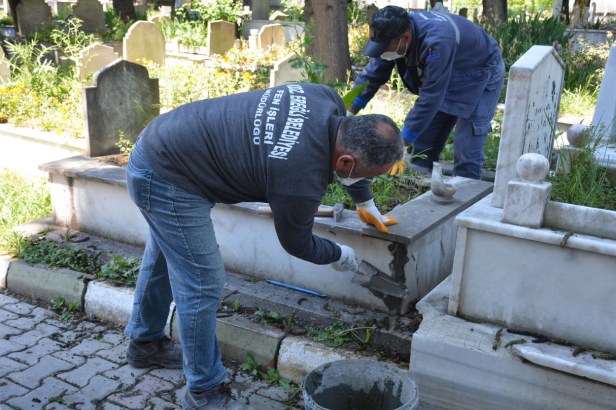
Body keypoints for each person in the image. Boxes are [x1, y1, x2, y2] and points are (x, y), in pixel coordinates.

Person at [123, 83, 403, 410]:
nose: (368, 180)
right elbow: (297, 243)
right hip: (167, 178)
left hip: (162, 143)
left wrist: (365, 201)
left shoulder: (323, 98)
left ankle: (145, 343)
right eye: (370, 176)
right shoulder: (299, 176)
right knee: (202, 281)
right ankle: (204, 392)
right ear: (344, 162)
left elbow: (351, 157)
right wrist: (339, 254)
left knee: (166, 254)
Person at [347, 5, 505, 180]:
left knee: (466, 148)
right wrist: (348, 112)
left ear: (405, 38)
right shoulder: (391, 35)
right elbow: (371, 76)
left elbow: (431, 97)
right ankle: (420, 181)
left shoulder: (436, 42)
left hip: (481, 71)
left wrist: (400, 144)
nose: (381, 52)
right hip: (446, 72)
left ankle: (467, 186)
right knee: (424, 143)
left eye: (384, 47)